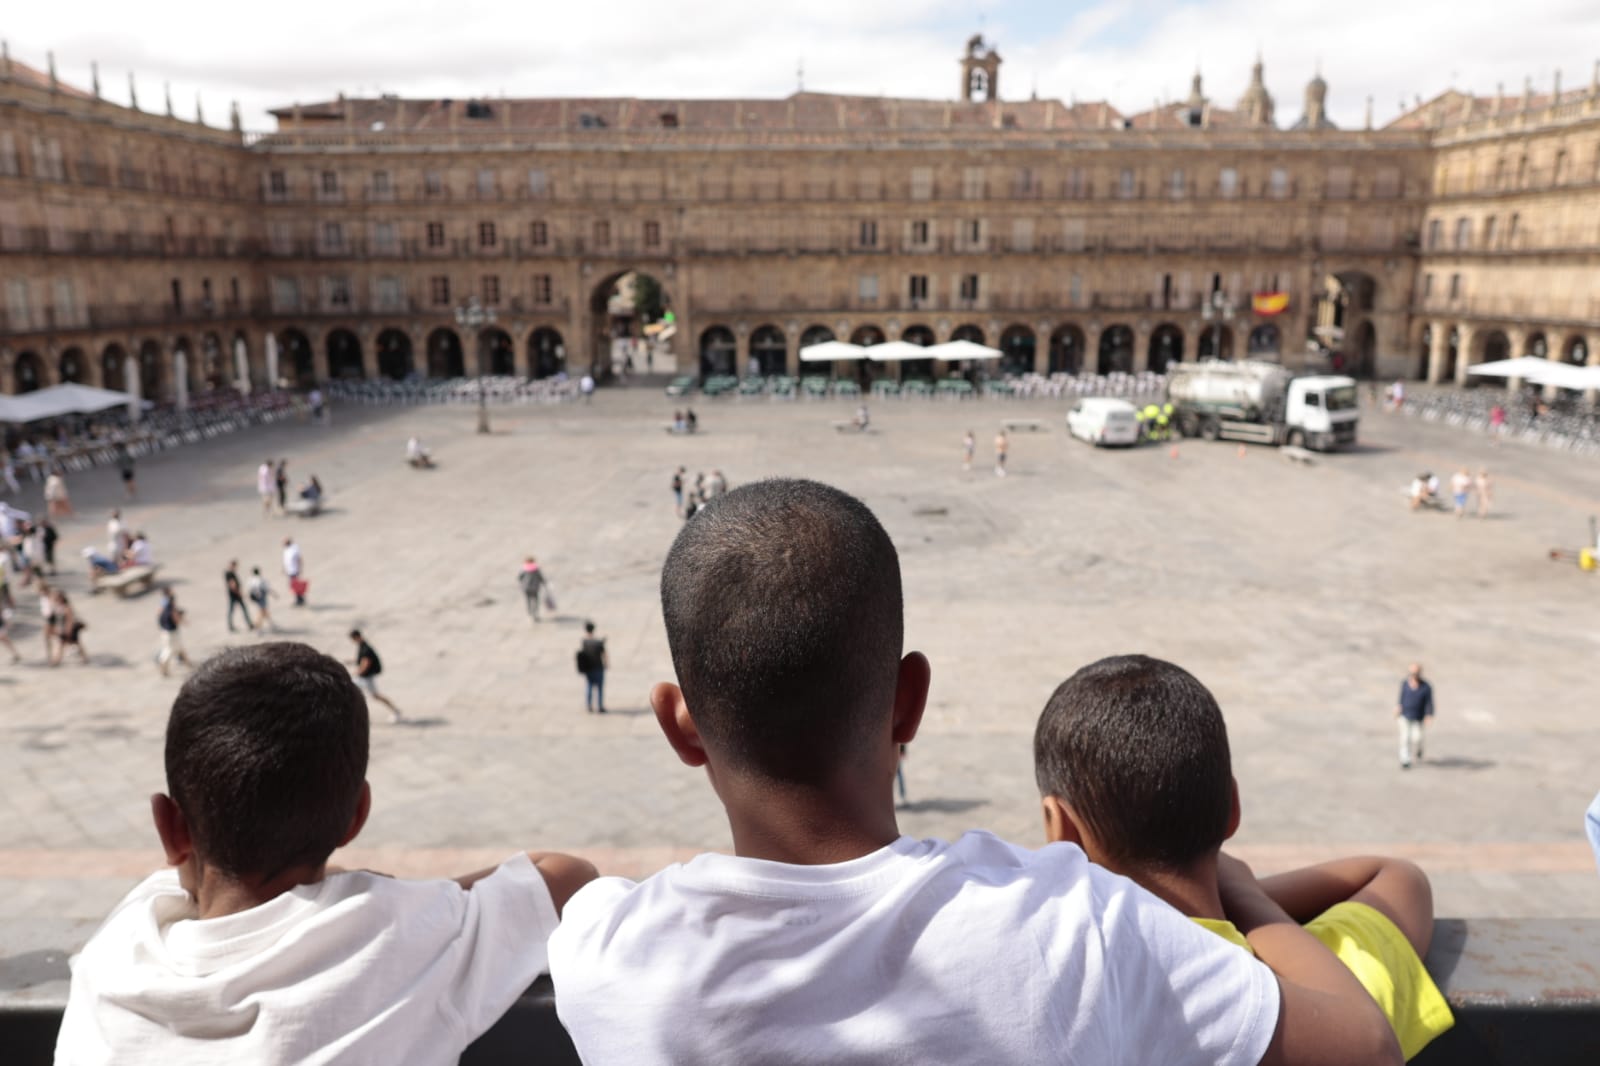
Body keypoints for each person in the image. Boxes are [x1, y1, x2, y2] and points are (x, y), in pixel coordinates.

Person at [548, 478, 1402, 1066]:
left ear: (679, 726)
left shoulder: (604, 955)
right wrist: (1244, 893)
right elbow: (1366, 1046)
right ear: (908, 703)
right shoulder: (1078, 924)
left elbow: (560, 886)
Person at [54, 642, 597, 1065]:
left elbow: (187, 886)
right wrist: (398, 892)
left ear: (170, 830)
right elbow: (568, 874)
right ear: (356, 816)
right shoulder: (398, 936)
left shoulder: (115, 955)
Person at [1035, 654, 1453, 1061]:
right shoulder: (1325, 988)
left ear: (1061, 830)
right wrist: (1244, 897)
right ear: (1232, 808)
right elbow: (1398, 878)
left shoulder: (1052, 981)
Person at [349, 629, 402, 724]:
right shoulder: (362, 646)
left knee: (375, 696)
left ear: (356, 637)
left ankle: (396, 711)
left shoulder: (365, 648)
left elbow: (366, 663)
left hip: (366, 678)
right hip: (363, 678)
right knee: (352, 692)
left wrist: (357, 672)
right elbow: (361, 660)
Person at [1396, 663, 1434, 770]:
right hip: (1405, 715)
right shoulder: (1405, 684)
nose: (1413, 675)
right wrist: (1398, 706)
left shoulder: (1426, 687)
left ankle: (1419, 750)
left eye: (1415, 673)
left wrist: (1429, 715)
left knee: (1417, 738)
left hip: (1418, 717)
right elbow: (1401, 697)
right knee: (1405, 738)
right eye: (1412, 673)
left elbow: (1429, 702)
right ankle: (1405, 760)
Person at [156, 588, 191, 677]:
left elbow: (159, 615)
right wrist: (184, 621)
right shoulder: (171, 609)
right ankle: (163, 664)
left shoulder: (164, 607)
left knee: (179, 648)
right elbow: (176, 619)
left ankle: (187, 663)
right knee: (169, 650)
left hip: (165, 632)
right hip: (172, 633)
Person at [49, 589, 89, 666]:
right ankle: (57, 660)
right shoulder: (58, 607)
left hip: (69, 629)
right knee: (65, 644)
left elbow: (70, 620)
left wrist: (68, 631)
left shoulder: (66, 608)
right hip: (63, 629)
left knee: (73, 643)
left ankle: (56, 661)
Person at [578, 621, 607, 714]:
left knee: (589, 686)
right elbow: (604, 655)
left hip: (589, 668)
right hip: (598, 667)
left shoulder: (584, 642)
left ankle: (589, 705)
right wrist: (606, 664)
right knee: (599, 688)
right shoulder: (598, 642)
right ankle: (600, 706)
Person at [224, 560, 254, 634]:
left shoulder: (230, 573)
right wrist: (239, 593)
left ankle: (248, 624)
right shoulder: (229, 574)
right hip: (234, 595)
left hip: (234, 595)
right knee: (238, 610)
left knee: (236, 610)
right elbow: (232, 585)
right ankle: (248, 624)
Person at [519, 557, 552, 622]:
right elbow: (541, 578)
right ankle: (535, 613)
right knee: (535, 600)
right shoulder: (536, 569)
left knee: (528, 600)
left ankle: (530, 612)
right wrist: (545, 584)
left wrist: (523, 583)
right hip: (535, 588)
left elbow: (520, 578)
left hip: (526, 588)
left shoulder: (524, 569)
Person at [247, 566, 276, 633]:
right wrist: (274, 594)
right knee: (261, 612)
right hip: (261, 597)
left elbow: (249, 588)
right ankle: (258, 625)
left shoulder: (250, 579)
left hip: (255, 598)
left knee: (263, 611)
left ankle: (271, 623)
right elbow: (267, 588)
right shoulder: (260, 579)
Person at [282, 537, 305, 606]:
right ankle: (300, 598)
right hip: (289, 570)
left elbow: (299, 559)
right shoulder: (286, 550)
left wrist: (299, 568)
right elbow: (286, 560)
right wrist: (284, 568)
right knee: (293, 585)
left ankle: (299, 599)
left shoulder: (294, 550)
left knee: (295, 585)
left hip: (294, 570)